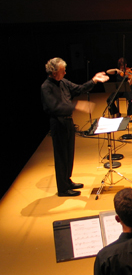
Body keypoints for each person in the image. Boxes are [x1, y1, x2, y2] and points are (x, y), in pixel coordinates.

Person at [41, 57, 108, 197]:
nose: (65, 73)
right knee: (61, 156)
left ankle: (67, 180)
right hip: (57, 123)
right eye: (62, 70)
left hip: (68, 122)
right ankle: (63, 189)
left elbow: (79, 89)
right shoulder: (46, 87)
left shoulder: (63, 82)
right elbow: (54, 107)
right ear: (54, 72)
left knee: (69, 153)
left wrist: (94, 80)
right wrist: (76, 105)